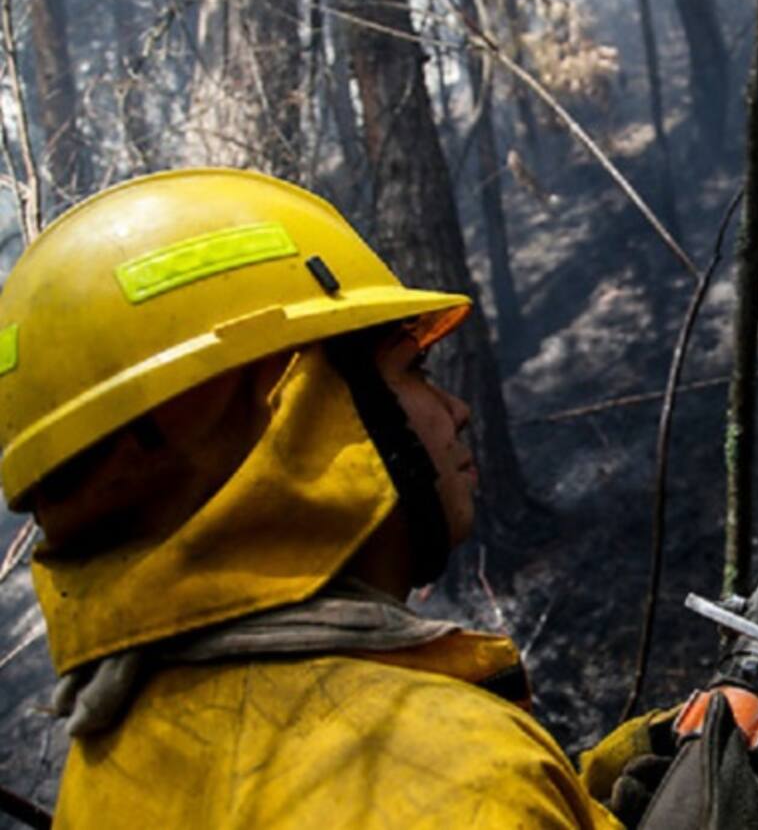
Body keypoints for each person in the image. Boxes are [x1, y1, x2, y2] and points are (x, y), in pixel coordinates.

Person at [0, 168, 682, 828]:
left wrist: (577, 801)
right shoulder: (449, 774)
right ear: (288, 419)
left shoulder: (114, 761)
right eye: (412, 368)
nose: (456, 409)